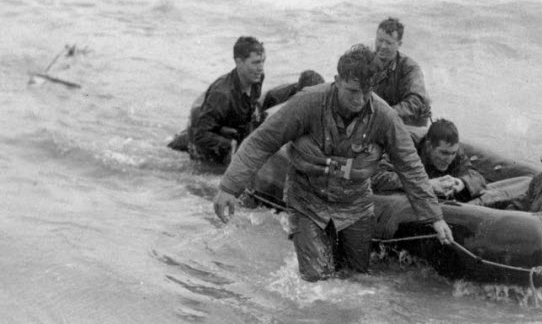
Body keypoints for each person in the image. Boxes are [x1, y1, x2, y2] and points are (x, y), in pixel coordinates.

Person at [212, 44, 453, 282]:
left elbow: (410, 166)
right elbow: (262, 141)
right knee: (316, 281)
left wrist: (435, 217)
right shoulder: (308, 102)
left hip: (355, 205)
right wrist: (229, 187)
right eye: (352, 91)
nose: (359, 100)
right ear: (337, 81)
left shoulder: (384, 116)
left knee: (356, 279)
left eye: (366, 92)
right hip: (307, 199)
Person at [186, 36, 265, 164]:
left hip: (227, 125)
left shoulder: (257, 78)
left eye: (262, 61)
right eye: (255, 63)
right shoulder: (222, 95)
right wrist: (229, 145)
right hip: (204, 139)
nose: (261, 68)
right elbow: (200, 135)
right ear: (239, 62)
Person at [372, 118, 486, 202]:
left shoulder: (454, 151)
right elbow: (377, 176)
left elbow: (476, 177)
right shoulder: (405, 146)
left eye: (453, 153)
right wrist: (426, 184)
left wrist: (461, 183)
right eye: (444, 153)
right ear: (429, 146)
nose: (449, 159)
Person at [373, 17, 431, 127]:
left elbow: (416, 101)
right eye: (380, 40)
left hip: (403, 123)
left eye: (389, 42)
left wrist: (385, 114)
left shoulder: (410, 68)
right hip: (373, 117)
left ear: (399, 44)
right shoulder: (365, 61)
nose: (383, 46)